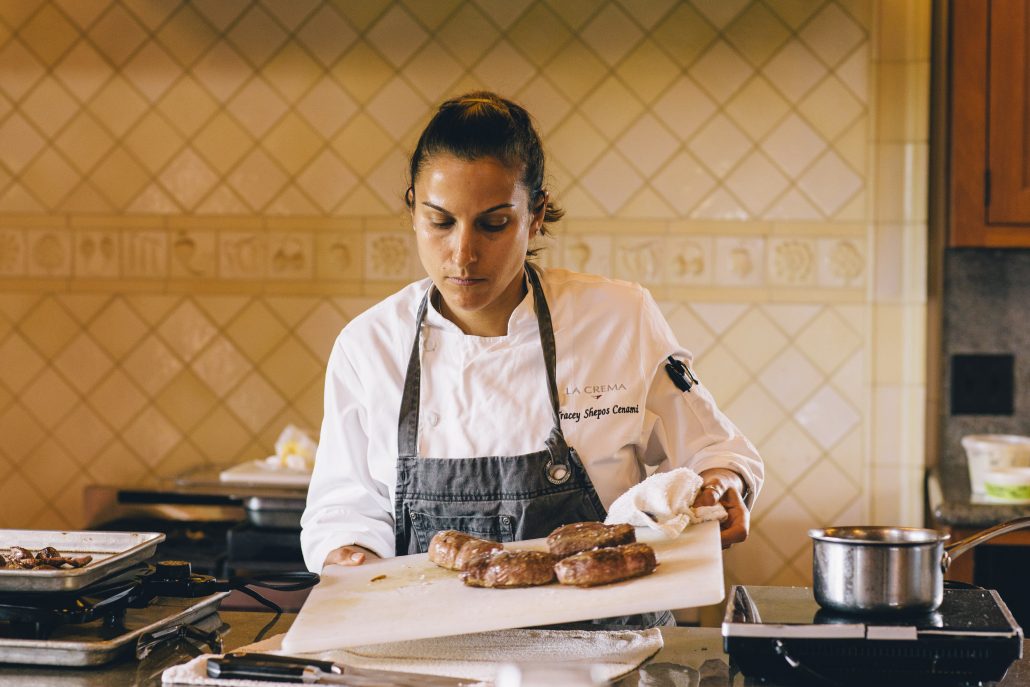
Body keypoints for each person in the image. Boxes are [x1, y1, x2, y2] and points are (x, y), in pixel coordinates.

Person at [301, 92, 763, 626]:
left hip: (605, 660)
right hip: (427, 658)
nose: (463, 253)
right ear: (413, 209)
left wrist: (724, 481)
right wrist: (348, 552)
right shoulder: (369, 346)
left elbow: (715, 449)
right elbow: (343, 506)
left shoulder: (619, 318)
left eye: (493, 224)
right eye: (440, 222)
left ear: (536, 214)